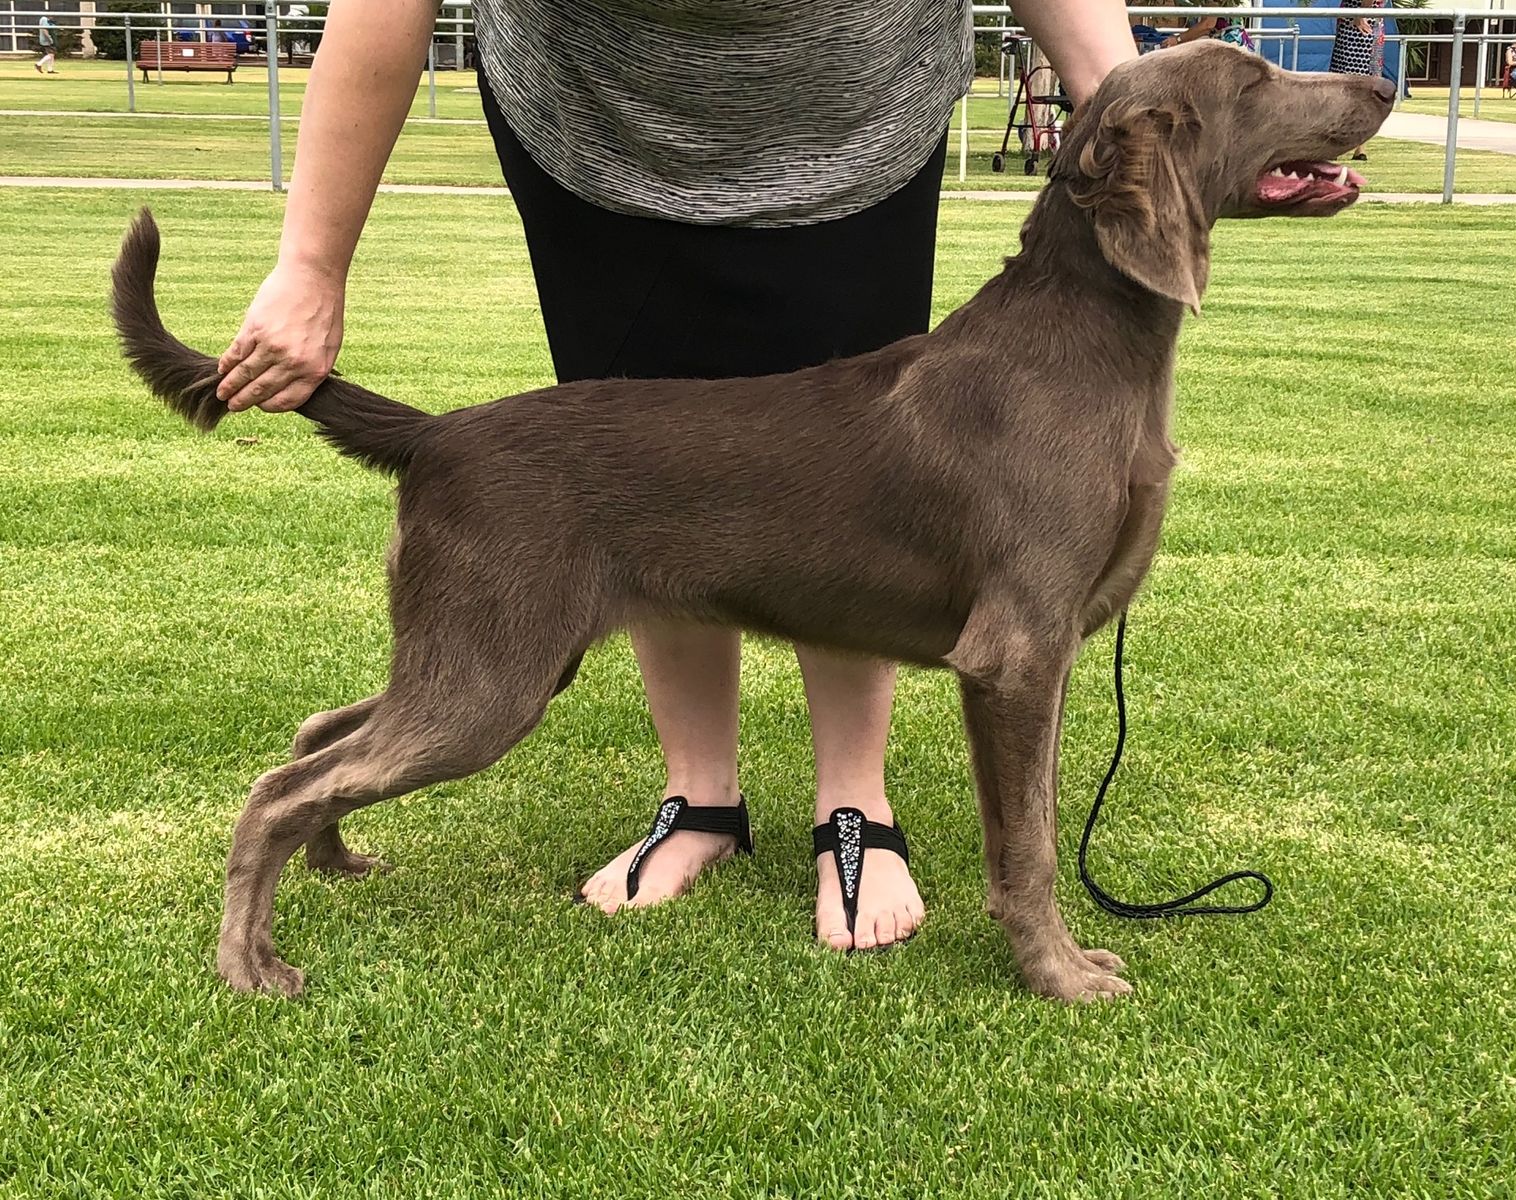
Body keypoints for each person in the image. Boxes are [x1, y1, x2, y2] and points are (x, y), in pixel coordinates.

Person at [213, 0, 1139, 954]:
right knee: (600, 545)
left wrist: (1131, 107)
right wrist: (309, 263)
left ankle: (854, 808)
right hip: (599, 116)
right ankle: (693, 798)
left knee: (863, 486)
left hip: (849, 111)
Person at [1330, 0, 1385, 160]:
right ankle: (1359, 146)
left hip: (1358, 27)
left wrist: (1360, 15)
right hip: (1364, 23)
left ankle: (1344, 144)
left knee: (1349, 87)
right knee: (1360, 86)